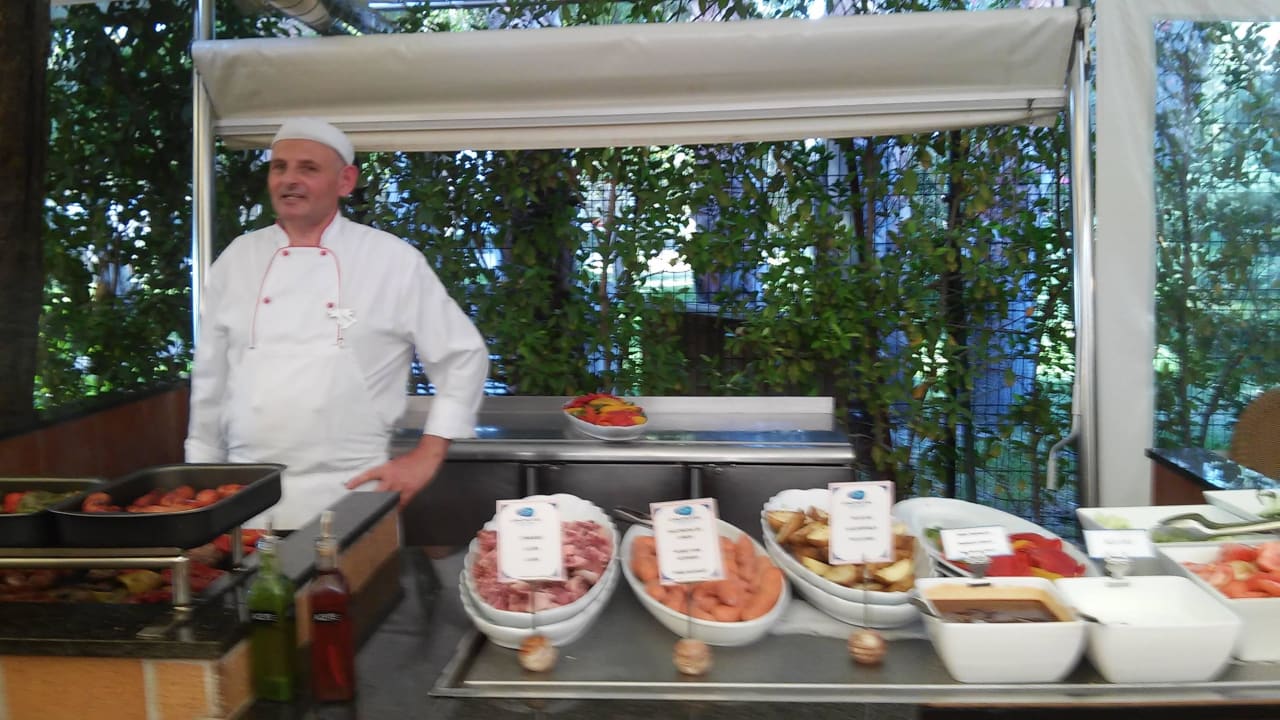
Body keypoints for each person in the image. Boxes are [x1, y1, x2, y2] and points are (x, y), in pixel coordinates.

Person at [185, 117, 489, 529]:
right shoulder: (237, 260)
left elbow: (463, 356)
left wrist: (427, 456)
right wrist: (199, 487)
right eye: (279, 167)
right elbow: (210, 384)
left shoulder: (392, 260)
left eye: (308, 168)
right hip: (246, 498)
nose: (289, 180)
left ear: (346, 181)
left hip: (355, 493)